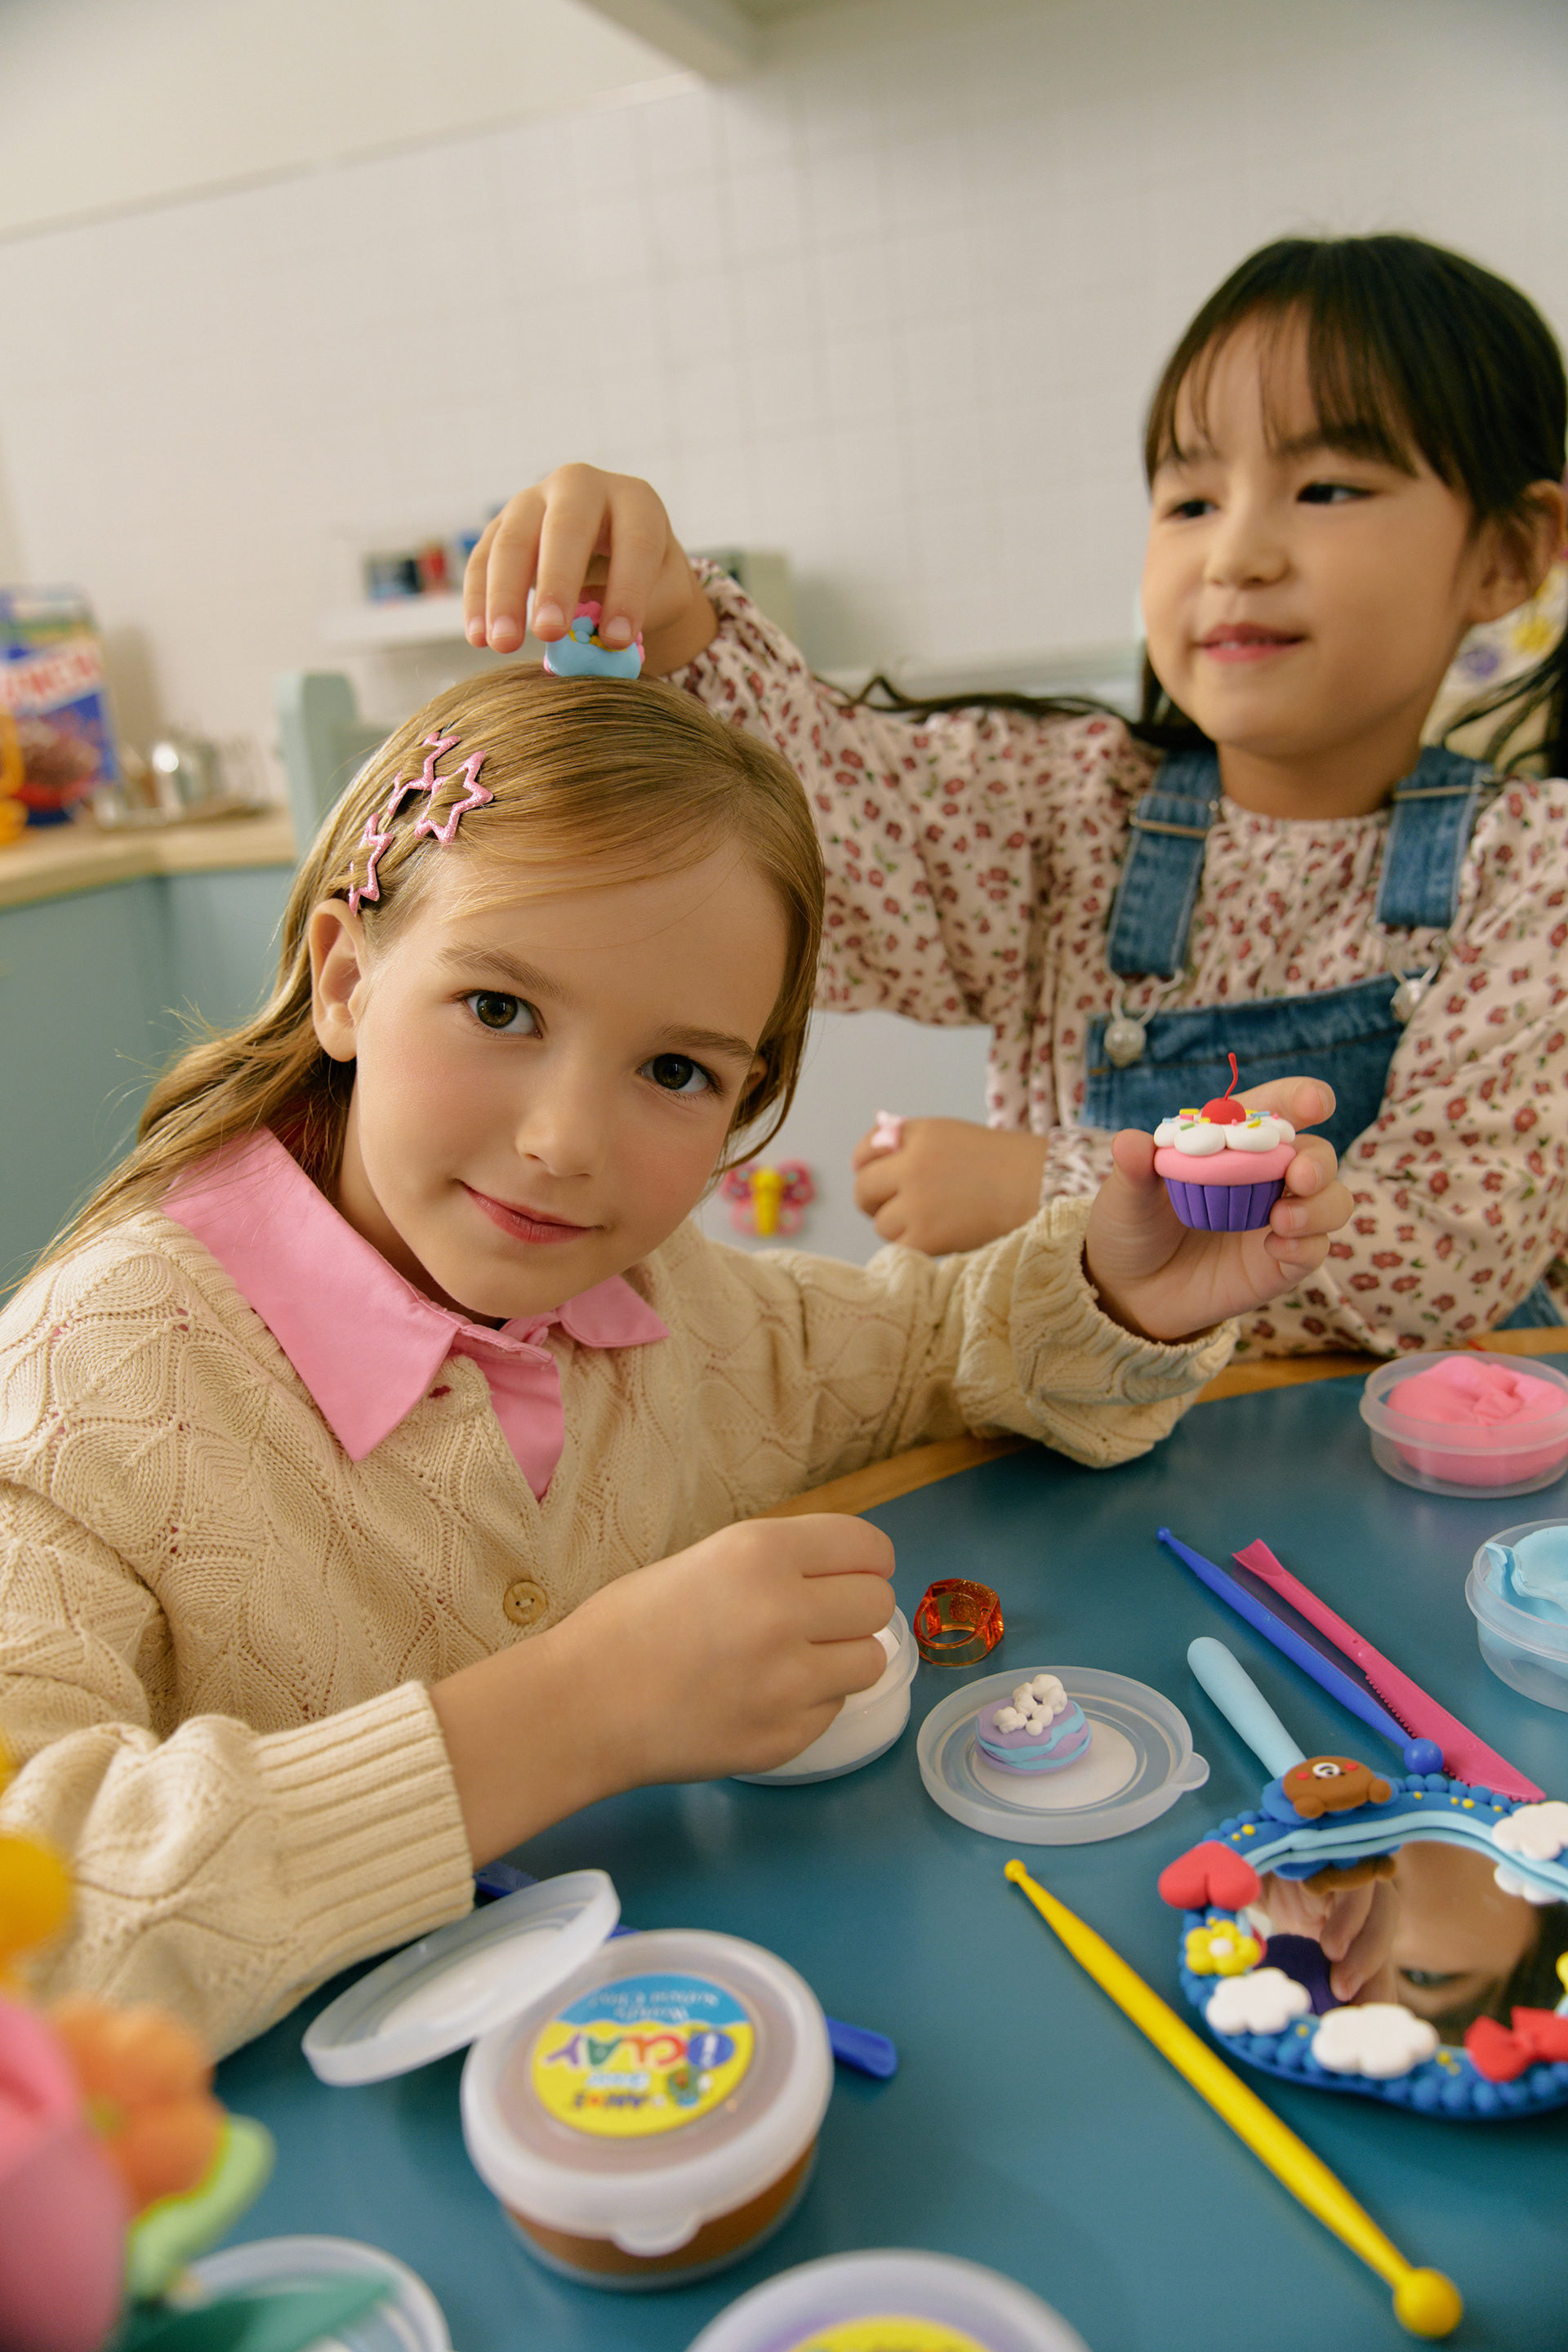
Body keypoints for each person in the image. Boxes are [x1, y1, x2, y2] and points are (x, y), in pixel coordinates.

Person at [0, 670, 1349, 2056]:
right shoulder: (85, 1381)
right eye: (500, 1010)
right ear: (347, 980)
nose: (565, 1143)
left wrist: (1118, 1292)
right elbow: (32, 1931)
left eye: (675, 1073)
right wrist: (583, 1711)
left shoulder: (659, 1299)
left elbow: (926, 1350)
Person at [466, 233, 1568, 1356]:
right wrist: (673, 623)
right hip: (1078, 1430)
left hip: (1430, 1454)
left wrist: (1048, 1186)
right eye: (1191, 501)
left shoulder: (1534, 871)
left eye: (1326, 489)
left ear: (1509, 554)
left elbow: (1448, 1252)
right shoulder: (1068, 812)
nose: (1236, 554)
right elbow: (820, 830)